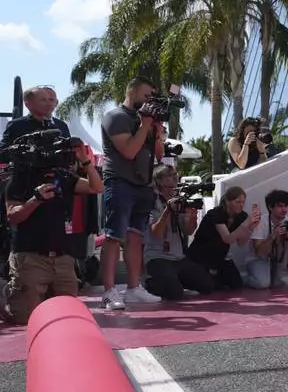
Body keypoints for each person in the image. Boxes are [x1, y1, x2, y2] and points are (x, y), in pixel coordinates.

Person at [3, 139, 102, 324]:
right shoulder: (19, 179)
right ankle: (7, 293)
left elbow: (97, 187)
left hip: (62, 258)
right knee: (25, 320)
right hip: (30, 257)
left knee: (67, 318)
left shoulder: (62, 177)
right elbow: (13, 216)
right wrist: (36, 199)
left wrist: (85, 161)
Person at [99, 77, 166, 309]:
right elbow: (128, 151)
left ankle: (133, 288)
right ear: (133, 92)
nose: (150, 101)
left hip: (143, 185)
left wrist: (156, 131)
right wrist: (146, 125)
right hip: (119, 182)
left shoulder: (146, 120)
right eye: (146, 96)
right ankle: (108, 291)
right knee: (114, 236)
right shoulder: (116, 117)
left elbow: (159, 154)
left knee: (136, 238)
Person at [141, 165, 214, 300]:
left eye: (175, 174)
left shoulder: (180, 199)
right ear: (160, 181)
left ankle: (173, 280)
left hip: (178, 257)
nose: (175, 177)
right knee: (174, 293)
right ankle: (149, 282)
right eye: (170, 175)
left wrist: (192, 217)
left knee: (207, 285)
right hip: (158, 257)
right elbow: (156, 233)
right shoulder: (152, 201)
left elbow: (188, 230)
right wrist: (168, 210)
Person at [186, 186, 260, 290]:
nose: (241, 205)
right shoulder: (216, 213)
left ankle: (217, 276)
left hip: (220, 257)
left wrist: (250, 228)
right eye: (237, 202)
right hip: (201, 254)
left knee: (236, 284)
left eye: (243, 202)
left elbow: (241, 243)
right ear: (228, 202)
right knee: (209, 286)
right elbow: (227, 239)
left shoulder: (241, 216)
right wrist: (246, 224)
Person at [245, 189, 288, 289]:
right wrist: (273, 236)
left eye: (286, 206)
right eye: (280, 206)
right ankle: (245, 279)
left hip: (277, 262)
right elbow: (259, 253)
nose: (284, 210)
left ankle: (277, 276)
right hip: (258, 260)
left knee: (279, 284)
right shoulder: (261, 223)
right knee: (263, 284)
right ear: (270, 207)